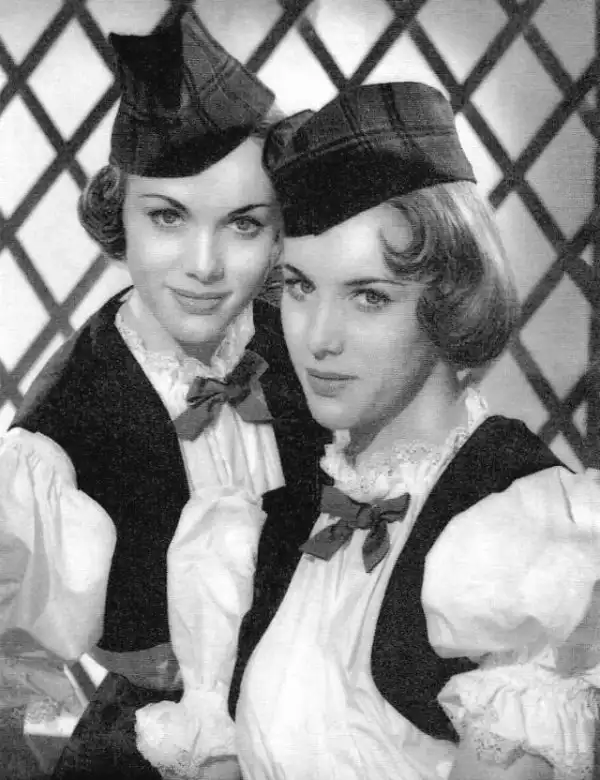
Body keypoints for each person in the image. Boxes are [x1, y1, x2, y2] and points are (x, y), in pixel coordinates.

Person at [232, 82, 600, 779]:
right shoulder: (312, 504)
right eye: (301, 287)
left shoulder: (522, 537)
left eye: (369, 296)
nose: (318, 338)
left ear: (452, 299)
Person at [0, 9, 326, 780]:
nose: (204, 266)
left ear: (280, 232)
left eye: (243, 225)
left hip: (308, 713)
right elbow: (15, 661)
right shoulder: (74, 407)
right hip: (157, 735)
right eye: (169, 218)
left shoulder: (299, 343)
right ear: (120, 216)